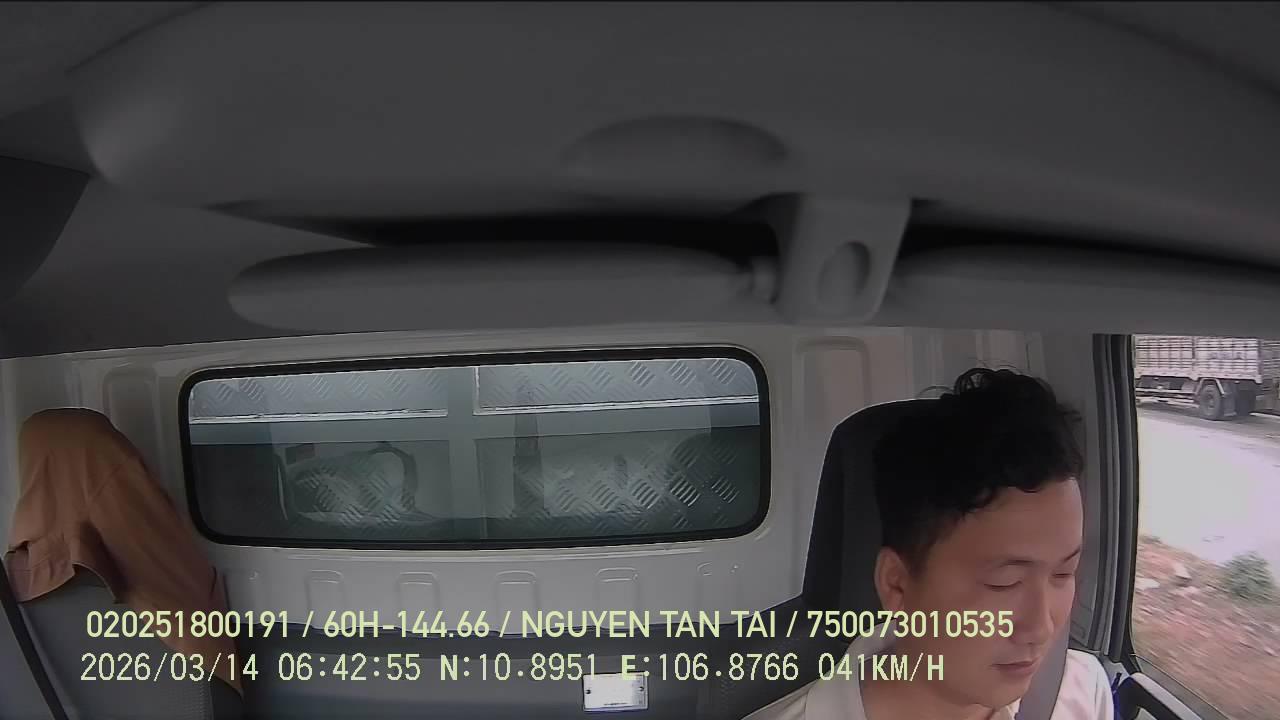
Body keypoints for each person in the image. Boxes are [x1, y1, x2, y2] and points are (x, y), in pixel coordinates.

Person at [746, 368, 1113, 720]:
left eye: (1063, 573)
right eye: (1005, 583)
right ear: (897, 585)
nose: (1040, 628)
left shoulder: (1080, 691)